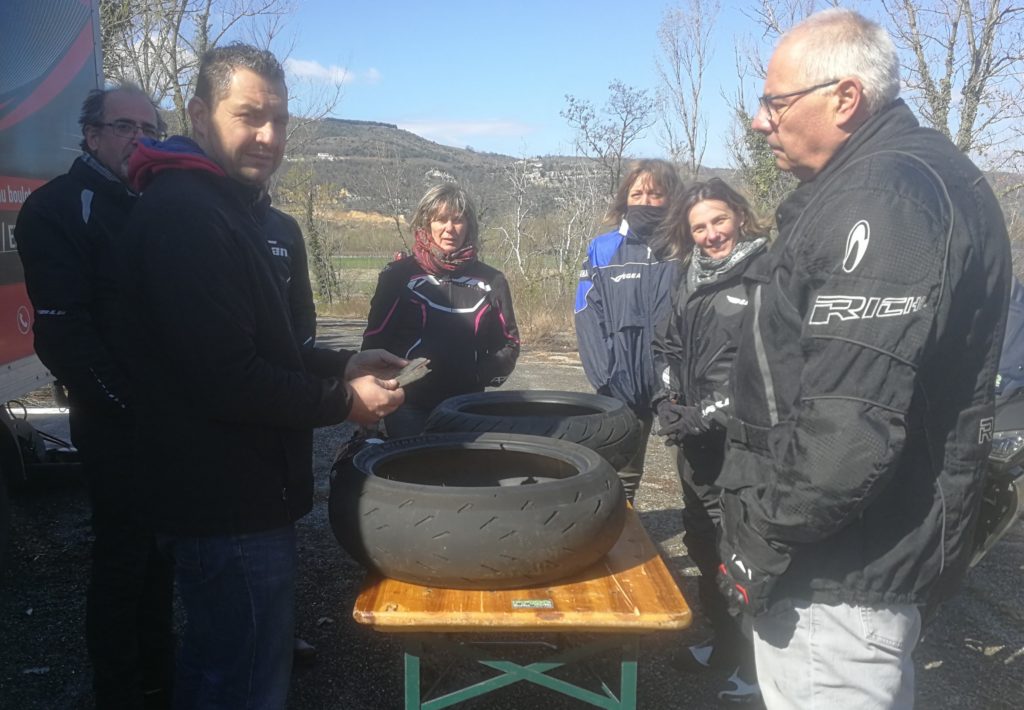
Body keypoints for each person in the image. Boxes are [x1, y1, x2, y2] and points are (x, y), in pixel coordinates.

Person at [715, 9, 1011, 709]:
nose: (761, 121)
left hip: (838, 573)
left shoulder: (885, 200)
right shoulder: (885, 182)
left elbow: (848, 432)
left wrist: (762, 541)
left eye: (775, 102)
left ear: (845, 98)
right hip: (844, 561)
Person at [112, 43, 406, 709]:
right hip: (223, 501)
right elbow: (229, 379)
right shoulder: (186, 215)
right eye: (250, 116)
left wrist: (342, 362)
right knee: (239, 681)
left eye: (279, 120)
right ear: (197, 113)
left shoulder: (226, 207)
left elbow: (262, 344)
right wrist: (345, 402)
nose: (270, 137)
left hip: (241, 495)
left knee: (237, 660)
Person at [15, 85, 175, 709]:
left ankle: (162, 675)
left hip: (169, 419)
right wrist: (124, 404)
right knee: (123, 556)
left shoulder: (156, 204)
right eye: (124, 125)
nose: (139, 137)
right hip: (114, 419)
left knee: (163, 554)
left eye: (150, 127)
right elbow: (64, 334)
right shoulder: (57, 207)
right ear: (91, 134)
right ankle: (118, 688)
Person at [652, 178, 769, 705]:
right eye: (699, 226)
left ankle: (755, 663)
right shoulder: (689, 277)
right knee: (702, 542)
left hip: (743, 445)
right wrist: (668, 402)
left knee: (742, 551)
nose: (710, 234)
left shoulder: (766, 274)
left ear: (739, 216)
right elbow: (666, 344)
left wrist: (707, 415)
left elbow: (766, 372)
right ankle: (722, 644)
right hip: (694, 440)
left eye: (719, 220)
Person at [362, 183, 520, 437]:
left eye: (457, 220)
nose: (449, 228)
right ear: (426, 223)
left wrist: (479, 374)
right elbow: (374, 341)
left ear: (469, 226)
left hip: (467, 406)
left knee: (463, 475)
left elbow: (509, 343)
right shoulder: (398, 275)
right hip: (408, 404)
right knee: (412, 474)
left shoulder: (492, 280)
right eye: (440, 220)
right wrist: (370, 404)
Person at [574, 159, 683, 502]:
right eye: (637, 193)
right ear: (624, 199)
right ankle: (621, 549)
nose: (646, 201)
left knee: (698, 476)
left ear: (672, 198)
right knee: (619, 478)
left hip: (678, 382)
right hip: (621, 381)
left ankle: (713, 550)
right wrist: (606, 378)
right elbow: (586, 314)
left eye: (656, 193)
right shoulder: (603, 249)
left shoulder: (686, 244)